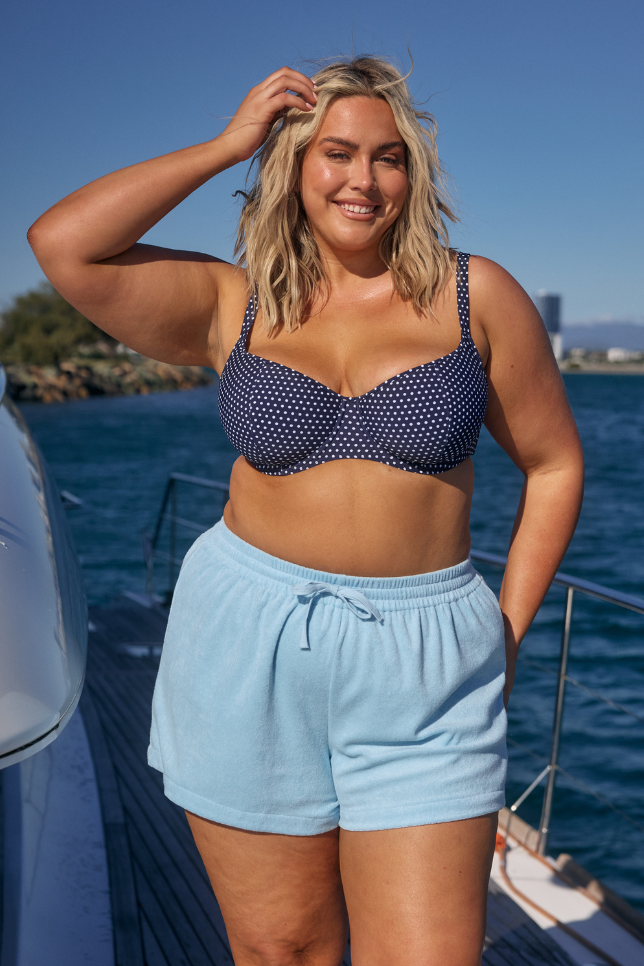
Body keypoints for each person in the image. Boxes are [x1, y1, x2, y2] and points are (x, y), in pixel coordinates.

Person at [28, 56, 584, 966]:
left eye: (389, 157)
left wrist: (506, 633)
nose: (363, 180)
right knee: (284, 951)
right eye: (336, 152)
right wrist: (225, 145)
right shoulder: (233, 302)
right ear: (292, 164)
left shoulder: (472, 294)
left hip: (426, 664)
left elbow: (555, 464)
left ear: (415, 174)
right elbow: (64, 244)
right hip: (247, 644)